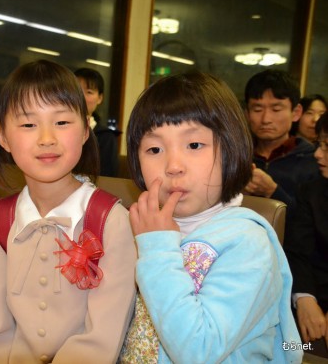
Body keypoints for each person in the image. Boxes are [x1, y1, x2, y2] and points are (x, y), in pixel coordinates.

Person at [0, 60, 136, 363]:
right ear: (4, 137)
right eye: (28, 124)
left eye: (62, 122)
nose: (46, 138)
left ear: (86, 129)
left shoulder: (110, 219)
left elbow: (100, 339)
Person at [122, 71, 301, 363]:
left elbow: (198, 350)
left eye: (194, 145)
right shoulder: (149, 227)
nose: (173, 166)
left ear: (231, 148)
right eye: (154, 149)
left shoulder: (246, 242)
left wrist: (155, 248)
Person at [283, 112, 328, 358]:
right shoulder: (310, 191)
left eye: (327, 146)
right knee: (290, 348)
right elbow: (297, 251)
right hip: (317, 303)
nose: (318, 154)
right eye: (319, 144)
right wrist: (304, 299)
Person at [243, 69, 318, 211]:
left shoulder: (314, 161)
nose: (266, 119)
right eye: (257, 110)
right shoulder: (236, 157)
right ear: (247, 114)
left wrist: (272, 191)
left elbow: (314, 225)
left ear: (296, 113)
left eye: (276, 109)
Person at [74, 68, 120, 177]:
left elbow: (108, 178)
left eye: (89, 92)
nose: (82, 96)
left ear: (100, 98)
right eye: (77, 90)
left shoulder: (106, 137)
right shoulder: (57, 130)